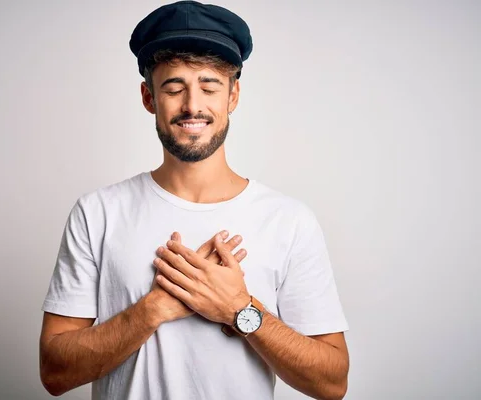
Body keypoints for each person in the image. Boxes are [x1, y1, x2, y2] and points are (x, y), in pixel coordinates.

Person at [39, 1, 350, 399]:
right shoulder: (98, 213)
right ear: (148, 97)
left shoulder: (288, 220)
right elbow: (54, 372)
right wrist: (153, 309)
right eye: (174, 87)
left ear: (232, 95)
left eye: (209, 85)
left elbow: (332, 382)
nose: (192, 105)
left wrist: (240, 309)